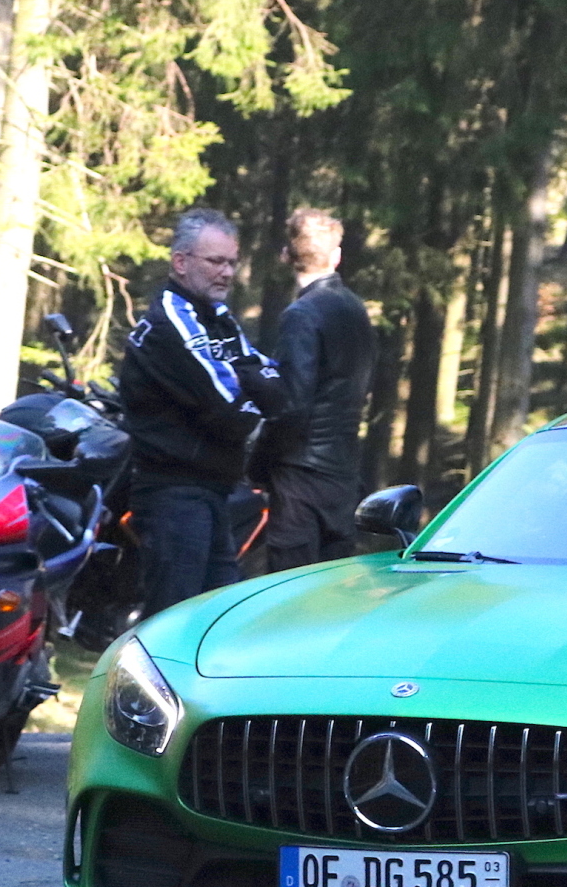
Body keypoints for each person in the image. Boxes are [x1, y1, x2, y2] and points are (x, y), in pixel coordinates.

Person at [117, 207, 281, 616]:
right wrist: (259, 409)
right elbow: (228, 405)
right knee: (173, 620)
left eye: (231, 262)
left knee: (216, 619)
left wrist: (266, 393)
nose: (226, 273)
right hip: (174, 494)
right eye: (215, 261)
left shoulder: (218, 318)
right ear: (181, 262)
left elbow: (270, 379)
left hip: (215, 491)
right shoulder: (172, 321)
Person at [259, 208, 377, 573]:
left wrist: (259, 463)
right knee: (331, 588)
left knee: (288, 589)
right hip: (343, 472)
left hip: (300, 477)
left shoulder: (301, 315)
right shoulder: (357, 310)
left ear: (286, 256)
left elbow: (291, 405)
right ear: (337, 256)